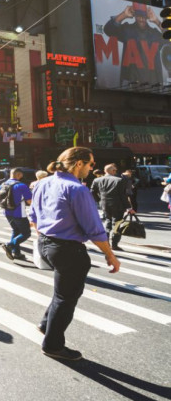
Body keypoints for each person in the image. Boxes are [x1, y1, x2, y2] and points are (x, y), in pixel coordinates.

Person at [29, 147, 122, 361]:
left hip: (46, 243)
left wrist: (45, 237)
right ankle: (53, 345)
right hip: (68, 249)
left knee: (62, 293)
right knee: (67, 298)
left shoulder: (43, 183)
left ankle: (46, 324)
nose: (92, 168)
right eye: (90, 164)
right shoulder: (77, 189)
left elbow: (33, 215)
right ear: (78, 163)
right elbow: (94, 228)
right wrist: (110, 255)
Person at [103, 2, 166, 87]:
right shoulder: (127, 30)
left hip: (153, 87)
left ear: (147, 16)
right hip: (131, 86)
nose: (141, 19)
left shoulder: (155, 34)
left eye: (143, 16)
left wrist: (157, 21)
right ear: (135, 15)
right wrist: (123, 15)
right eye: (139, 16)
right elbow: (108, 30)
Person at [91, 164, 135, 251]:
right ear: (112, 171)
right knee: (117, 224)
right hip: (117, 204)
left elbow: (92, 192)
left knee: (107, 221)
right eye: (115, 170)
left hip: (104, 204)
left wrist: (99, 200)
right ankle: (114, 244)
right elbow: (123, 195)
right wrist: (129, 207)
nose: (116, 172)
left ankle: (106, 242)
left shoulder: (97, 180)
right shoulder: (119, 180)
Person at [0, 168, 33, 261]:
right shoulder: (21, 185)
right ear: (19, 175)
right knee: (26, 233)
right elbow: (29, 201)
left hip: (7, 212)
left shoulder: (3, 184)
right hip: (19, 212)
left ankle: (17, 253)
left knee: (16, 231)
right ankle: (9, 245)